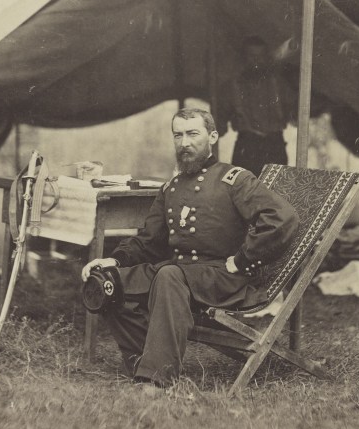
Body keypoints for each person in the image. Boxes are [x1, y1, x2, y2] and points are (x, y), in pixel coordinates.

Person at [81, 107, 299, 386]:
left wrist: (243, 260)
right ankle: (142, 360)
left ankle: (157, 379)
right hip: (180, 274)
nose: (184, 143)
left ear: (212, 137)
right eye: (178, 135)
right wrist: (115, 261)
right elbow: (149, 241)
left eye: (193, 134)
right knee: (107, 282)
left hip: (222, 277)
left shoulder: (235, 179)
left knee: (168, 275)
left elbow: (283, 218)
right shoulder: (170, 187)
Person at [218, 35, 294, 176]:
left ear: (266, 58)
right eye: (251, 56)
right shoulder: (231, 88)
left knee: (275, 188)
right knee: (244, 187)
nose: (256, 60)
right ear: (243, 58)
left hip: (275, 146)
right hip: (247, 148)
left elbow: (295, 113)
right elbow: (219, 126)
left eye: (260, 56)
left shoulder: (279, 85)